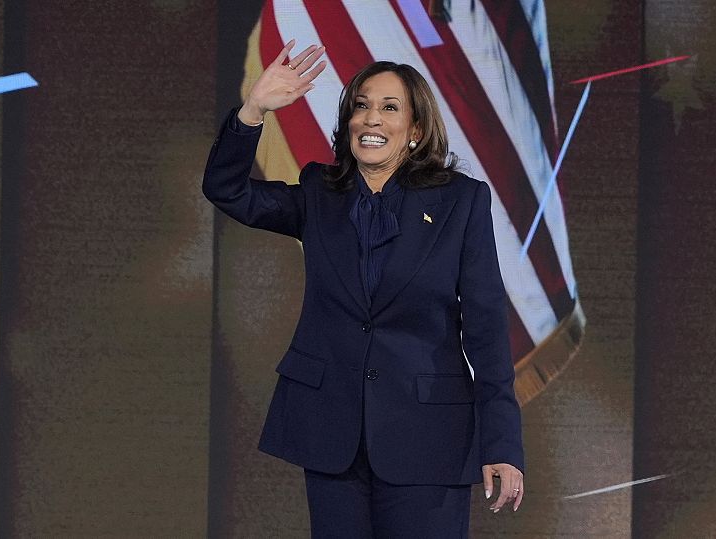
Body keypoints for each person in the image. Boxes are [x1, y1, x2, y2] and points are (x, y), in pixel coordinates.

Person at [202, 40, 524, 538]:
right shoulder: (318, 194)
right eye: (361, 106)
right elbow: (228, 191)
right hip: (334, 436)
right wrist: (252, 110)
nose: (371, 119)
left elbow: (486, 327)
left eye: (389, 108)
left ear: (415, 131)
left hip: (428, 437)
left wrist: (502, 443)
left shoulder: (461, 202)